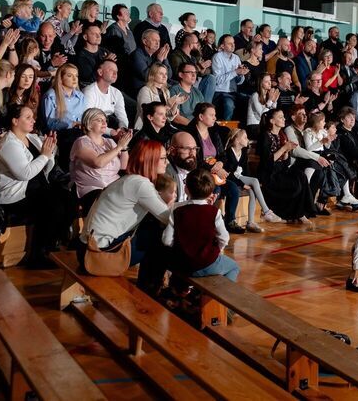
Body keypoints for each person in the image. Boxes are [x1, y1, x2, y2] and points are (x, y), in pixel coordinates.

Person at [79, 140, 173, 294]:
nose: (167, 161)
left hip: (85, 248)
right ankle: (149, 293)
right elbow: (168, 218)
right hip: (97, 254)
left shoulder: (129, 179)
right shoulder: (140, 184)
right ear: (150, 160)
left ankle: (150, 289)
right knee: (159, 238)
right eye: (163, 158)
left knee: (152, 229)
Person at [0, 105, 76, 268]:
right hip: (14, 196)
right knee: (52, 205)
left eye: (33, 117)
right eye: (28, 117)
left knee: (69, 197)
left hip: (36, 189)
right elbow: (25, 173)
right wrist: (45, 154)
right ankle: (39, 254)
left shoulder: (32, 138)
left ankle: (57, 242)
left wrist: (51, 147)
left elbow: (47, 162)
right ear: (15, 121)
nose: (33, 120)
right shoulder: (9, 144)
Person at [170, 167, 239, 284]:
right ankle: (215, 298)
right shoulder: (213, 212)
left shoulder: (177, 210)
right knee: (234, 267)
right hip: (207, 262)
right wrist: (216, 251)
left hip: (181, 263)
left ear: (186, 189)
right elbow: (224, 238)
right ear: (211, 191)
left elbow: (167, 240)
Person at [257, 108, 319, 224]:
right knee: (294, 184)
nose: (284, 119)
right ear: (272, 121)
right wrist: (284, 148)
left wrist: (286, 152)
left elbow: (285, 162)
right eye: (280, 117)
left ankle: (301, 213)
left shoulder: (282, 135)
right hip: (269, 173)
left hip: (281, 169)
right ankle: (286, 213)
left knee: (301, 176)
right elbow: (267, 162)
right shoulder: (264, 136)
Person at [71, 108, 132, 215]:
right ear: (89, 124)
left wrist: (124, 147)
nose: (104, 123)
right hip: (92, 190)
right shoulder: (81, 142)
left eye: (105, 120)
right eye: (99, 120)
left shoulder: (109, 141)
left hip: (113, 186)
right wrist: (119, 147)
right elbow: (98, 163)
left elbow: (123, 166)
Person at [222, 128, 283, 232]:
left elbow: (246, 172)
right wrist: (242, 184)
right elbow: (228, 174)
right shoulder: (227, 153)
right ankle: (266, 211)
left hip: (240, 178)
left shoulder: (243, 153)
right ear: (237, 140)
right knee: (254, 181)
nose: (248, 139)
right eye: (245, 138)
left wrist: (248, 183)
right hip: (232, 179)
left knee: (253, 190)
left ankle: (250, 222)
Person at [83, 59, 129, 131]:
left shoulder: (117, 92)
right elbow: (89, 119)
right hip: (95, 129)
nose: (115, 73)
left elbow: (122, 116)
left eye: (116, 71)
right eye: (111, 70)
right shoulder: (89, 91)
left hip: (111, 125)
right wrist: (111, 132)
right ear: (100, 72)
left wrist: (123, 129)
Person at [124, 29, 171, 99]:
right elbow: (147, 75)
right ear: (145, 41)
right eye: (154, 40)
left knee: (176, 87)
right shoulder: (137, 54)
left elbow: (169, 75)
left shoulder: (155, 55)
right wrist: (159, 60)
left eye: (158, 41)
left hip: (154, 87)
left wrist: (164, 58)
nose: (157, 43)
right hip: (139, 91)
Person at [212, 34, 247, 120]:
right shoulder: (217, 57)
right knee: (229, 104)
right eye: (229, 43)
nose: (233, 45)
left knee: (248, 100)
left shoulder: (236, 58)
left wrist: (241, 74)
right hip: (220, 92)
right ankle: (225, 130)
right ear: (222, 46)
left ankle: (240, 130)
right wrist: (235, 72)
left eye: (233, 43)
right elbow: (217, 80)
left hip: (233, 92)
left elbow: (239, 82)